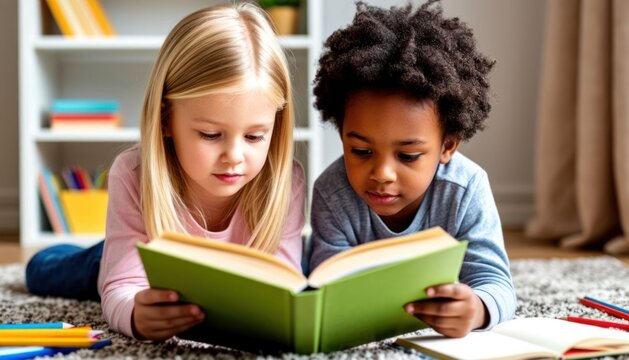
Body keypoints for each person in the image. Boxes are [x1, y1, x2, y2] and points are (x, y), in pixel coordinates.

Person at [26, 3, 305, 341]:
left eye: (254, 136)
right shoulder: (132, 173)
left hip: (212, 277)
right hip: (138, 253)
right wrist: (134, 313)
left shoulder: (286, 180)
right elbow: (122, 286)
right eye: (210, 134)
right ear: (165, 119)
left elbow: (288, 281)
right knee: (43, 270)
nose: (234, 156)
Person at [308, 0, 516, 338]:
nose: (382, 173)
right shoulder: (332, 193)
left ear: (448, 145)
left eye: (407, 156)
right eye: (361, 150)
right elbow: (325, 283)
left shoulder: (466, 189)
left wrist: (477, 308)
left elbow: (495, 283)